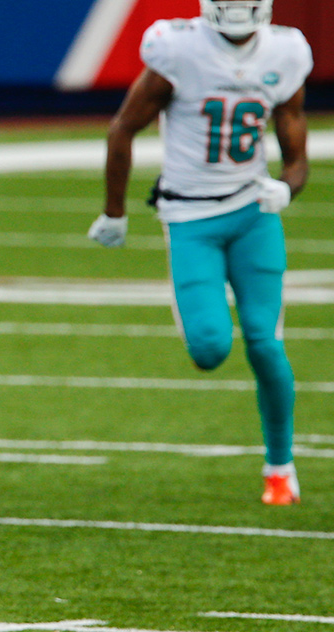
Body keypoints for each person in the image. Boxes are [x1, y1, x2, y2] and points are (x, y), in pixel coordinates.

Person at [88, 0, 310, 506]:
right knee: (209, 350)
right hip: (190, 217)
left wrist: (286, 190)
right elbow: (123, 126)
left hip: (254, 213)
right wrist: (115, 212)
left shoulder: (285, 51)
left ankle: (280, 467)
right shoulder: (179, 48)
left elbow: (297, 153)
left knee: (266, 343)